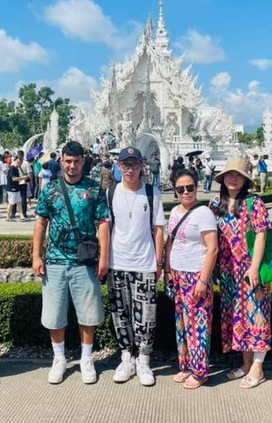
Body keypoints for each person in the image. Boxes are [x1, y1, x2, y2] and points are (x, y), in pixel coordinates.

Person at [32, 140, 110, 385]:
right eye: (68, 161)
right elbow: (40, 222)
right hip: (55, 261)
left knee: (88, 313)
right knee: (54, 314)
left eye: (76, 161)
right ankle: (59, 358)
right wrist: (36, 255)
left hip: (84, 261)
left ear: (83, 162)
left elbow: (104, 224)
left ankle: (87, 358)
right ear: (62, 161)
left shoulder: (95, 189)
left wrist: (104, 257)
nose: (72, 165)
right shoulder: (51, 189)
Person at [208, 158, 272, 389]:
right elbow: (211, 239)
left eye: (238, 174)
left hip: (249, 270)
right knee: (238, 319)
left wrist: (254, 267)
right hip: (227, 272)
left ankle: (258, 366)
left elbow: (262, 234)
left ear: (245, 179)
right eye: (229, 174)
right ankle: (246, 364)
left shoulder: (254, 203)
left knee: (257, 316)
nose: (232, 178)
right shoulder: (216, 204)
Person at [107, 147, 166, 386]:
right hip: (117, 262)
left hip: (144, 263)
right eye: (125, 165)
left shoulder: (152, 193)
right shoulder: (110, 193)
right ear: (119, 166)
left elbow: (159, 229)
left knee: (146, 316)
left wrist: (159, 261)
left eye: (134, 164)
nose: (130, 169)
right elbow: (105, 228)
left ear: (142, 165)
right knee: (120, 313)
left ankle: (143, 359)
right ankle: (126, 357)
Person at [166, 169, 218, 389]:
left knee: (198, 324)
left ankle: (200, 371)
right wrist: (168, 271)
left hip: (196, 274)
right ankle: (186, 365)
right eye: (180, 189)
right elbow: (170, 243)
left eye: (190, 187)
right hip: (178, 274)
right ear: (175, 191)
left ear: (196, 187)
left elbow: (213, 248)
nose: (186, 192)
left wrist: (203, 280)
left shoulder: (204, 213)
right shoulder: (175, 212)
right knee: (182, 323)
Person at [7, 156, 29, 221]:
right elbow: (14, 179)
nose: (19, 164)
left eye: (20, 163)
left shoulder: (16, 169)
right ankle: (8, 217)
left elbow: (17, 177)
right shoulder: (12, 168)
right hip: (12, 188)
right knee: (11, 202)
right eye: (18, 163)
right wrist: (23, 178)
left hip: (16, 187)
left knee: (19, 201)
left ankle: (21, 216)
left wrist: (22, 177)